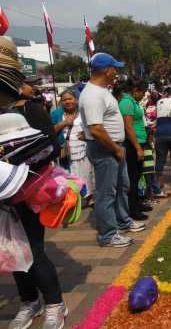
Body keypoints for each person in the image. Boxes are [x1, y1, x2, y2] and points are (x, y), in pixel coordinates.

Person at [0, 35, 67, 329]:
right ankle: (30, 302)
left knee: (34, 251)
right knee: (11, 252)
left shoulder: (31, 109)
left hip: (27, 193)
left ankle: (55, 303)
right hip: (3, 197)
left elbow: (52, 149)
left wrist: (18, 159)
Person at [79, 53, 145, 248]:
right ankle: (108, 234)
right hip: (106, 148)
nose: (116, 72)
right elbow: (96, 128)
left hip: (114, 147)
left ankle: (123, 221)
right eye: (115, 68)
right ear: (106, 70)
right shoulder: (92, 95)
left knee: (122, 187)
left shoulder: (102, 91)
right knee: (106, 192)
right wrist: (115, 148)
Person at [51, 89, 95, 205]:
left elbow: (93, 128)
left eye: (70, 98)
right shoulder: (56, 114)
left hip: (84, 149)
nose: (67, 101)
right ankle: (74, 199)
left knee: (87, 173)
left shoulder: (83, 112)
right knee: (70, 175)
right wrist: (63, 123)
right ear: (61, 102)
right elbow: (50, 132)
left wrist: (86, 135)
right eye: (64, 100)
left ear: (75, 99)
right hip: (66, 152)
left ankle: (89, 197)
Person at [116, 78, 150, 221]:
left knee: (137, 176)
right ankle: (133, 209)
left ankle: (137, 203)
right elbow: (128, 127)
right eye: (142, 92)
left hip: (139, 142)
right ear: (136, 91)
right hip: (132, 144)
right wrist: (137, 147)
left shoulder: (131, 102)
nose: (144, 95)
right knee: (133, 177)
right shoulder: (127, 103)